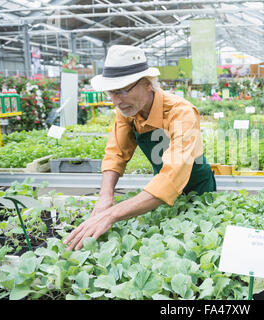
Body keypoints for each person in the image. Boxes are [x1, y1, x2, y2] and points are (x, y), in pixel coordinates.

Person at [63, 45, 216, 251]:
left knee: (197, 244)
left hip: (198, 189)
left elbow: (172, 176)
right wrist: (105, 196)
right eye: (111, 93)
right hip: (155, 194)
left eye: (122, 91)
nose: (116, 101)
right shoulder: (127, 111)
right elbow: (116, 153)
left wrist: (112, 214)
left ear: (147, 85)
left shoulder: (181, 113)